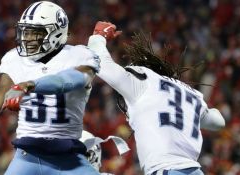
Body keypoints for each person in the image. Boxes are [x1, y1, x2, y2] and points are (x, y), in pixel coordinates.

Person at [0, 1, 100, 174]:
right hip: (27, 157)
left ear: (57, 32)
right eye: (26, 32)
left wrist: (31, 85)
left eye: (36, 33)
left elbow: (68, 81)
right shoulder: (15, 59)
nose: (28, 38)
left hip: (69, 158)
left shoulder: (79, 55)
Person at [87, 21, 226, 175]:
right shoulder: (191, 94)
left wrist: (98, 37)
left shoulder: (143, 82)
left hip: (166, 169)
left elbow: (102, 63)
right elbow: (218, 122)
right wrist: (200, 110)